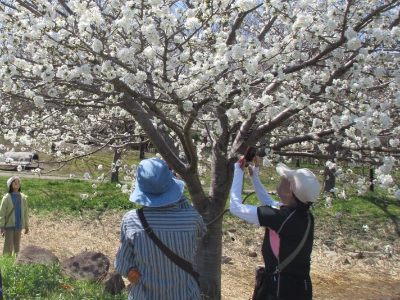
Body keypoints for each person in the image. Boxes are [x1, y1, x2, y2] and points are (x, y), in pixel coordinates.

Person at [230, 156, 320, 300]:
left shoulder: (280, 218)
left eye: (283, 180)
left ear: (289, 192)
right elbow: (269, 204)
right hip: (301, 289)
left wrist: (237, 171)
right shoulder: (305, 217)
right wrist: (255, 177)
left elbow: (235, 207)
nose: (280, 181)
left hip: (279, 291)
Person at [115, 157, 206, 300]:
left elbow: (122, 265)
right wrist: (178, 190)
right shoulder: (192, 219)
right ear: (171, 184)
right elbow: (202, 230)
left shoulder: (131, 220)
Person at [0, 176, 29, 255]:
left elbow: (25, 212)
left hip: (18, 225)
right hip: (9, 225)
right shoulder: (6, 197)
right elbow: (2, 213)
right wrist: (2, 226)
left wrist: (26, 225)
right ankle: (6, 260)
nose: (16, 183)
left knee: (17, 246)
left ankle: (16, 262)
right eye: (14, 181)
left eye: (18, 181)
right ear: (10, 185)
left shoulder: (23, 198)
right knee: (8, 246)